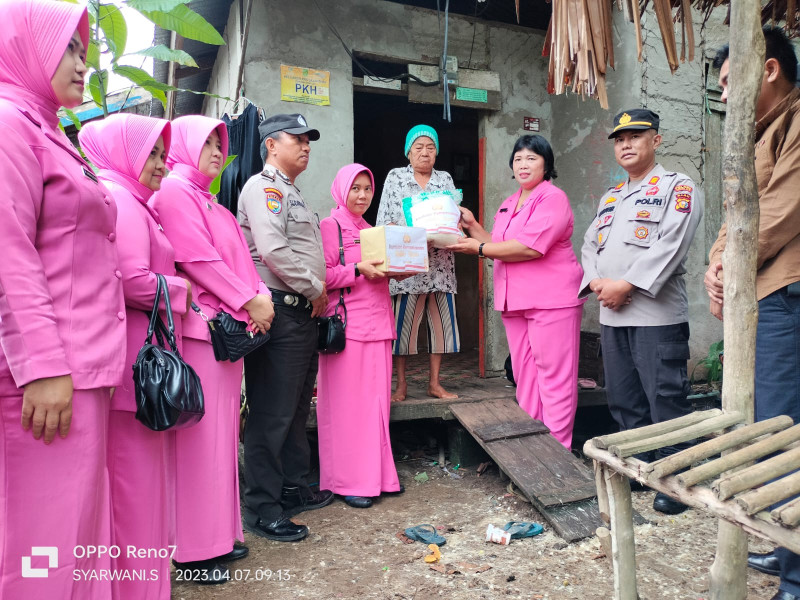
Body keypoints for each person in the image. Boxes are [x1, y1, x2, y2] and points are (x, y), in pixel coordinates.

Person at [0, 1, 126, 597]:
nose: (84, 62)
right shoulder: (7, 124)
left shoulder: (52, 132)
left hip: (86, 367)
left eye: (84, 48)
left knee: (80, 537)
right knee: (45, 549)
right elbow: (9, 253)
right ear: (26, 48)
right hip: (52, 375)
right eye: (69, 48)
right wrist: (44, 364)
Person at [151, 116, 274, 584]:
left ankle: (220, 535)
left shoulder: (211, 202)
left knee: (223, 437)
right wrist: (251, 301)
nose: (219, 151)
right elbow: (200, 260)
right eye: (208, 143)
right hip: (205, 333)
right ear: (184, 145)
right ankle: (195, 549)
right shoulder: (177, 193)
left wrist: (258, 296)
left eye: (221, 143)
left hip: (230, 333)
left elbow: (242, 259)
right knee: (202, 441)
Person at [706, 28, 800, 600]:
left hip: (788, 294)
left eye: (726, 81)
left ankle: (797, 574)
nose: (721, 94)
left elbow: (783, 211)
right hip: (765, 292)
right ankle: (784, 544)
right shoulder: (761, 133)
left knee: (783, 429)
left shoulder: (796, 122)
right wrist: (718, 268)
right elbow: (736, 216)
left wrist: (730, 266)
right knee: (770, 425)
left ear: (767, 70)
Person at [79, 114, 187, 599]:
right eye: (153, 155)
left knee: (143, 491)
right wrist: (186, 290)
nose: (162, 165)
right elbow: (133, 279)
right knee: (133, 492)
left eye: (164, 155)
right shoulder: (122, 200)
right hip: (133, 368)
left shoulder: (137, 203)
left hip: (143, 364)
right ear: (125, 156)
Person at [578, 108, 704, 515]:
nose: (626, 144)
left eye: (635, 135)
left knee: (666, 398)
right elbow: (589, 245)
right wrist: (597, 282)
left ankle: (677, 480)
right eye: (619, 138)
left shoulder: (678, 187)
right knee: (625, 399)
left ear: (656, 140)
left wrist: (626, 285)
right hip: (613, 317)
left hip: (657, 317)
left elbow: (672, 243)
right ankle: (640, 469)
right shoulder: (611, 197)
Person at [448, 135, 584, 449]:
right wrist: (473, 226)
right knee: (526, 380)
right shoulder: (511, 202)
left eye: (532, 158)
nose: (523, 164)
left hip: (552, 301)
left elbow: (530, 248)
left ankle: (557, 453)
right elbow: (498, 244)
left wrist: (478, 247)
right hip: (516, 302)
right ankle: (532, 448)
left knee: (555, 380)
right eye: (518, 158)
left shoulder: (552, 198)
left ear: (546, 164)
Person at [238, 113, 333, 542]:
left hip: (300, 314)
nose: (306, 146)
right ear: (272, 144)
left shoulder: (292, 193)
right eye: (298, 139)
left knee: (295, 409)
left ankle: (293, 486)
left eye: (309, 140)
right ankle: (262, 507)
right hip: (281, 311)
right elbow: (273, 250)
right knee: (272, 413)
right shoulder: (265, 189)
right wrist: (315, 289)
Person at [317, 164, 402, 508]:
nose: (363, 195)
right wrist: (357, 269)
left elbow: (382, 275)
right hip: (347, 329)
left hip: (379, 325)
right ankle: (347, 480)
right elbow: (319, 275)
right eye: (356, 188)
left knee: (375, 407)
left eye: (368, 188)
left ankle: (377, 477)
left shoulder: (372, 230)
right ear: (341, 190)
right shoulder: (329, 226)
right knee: (347, 408)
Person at [376, 124, 460, 402]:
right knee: (403, 329)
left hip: (440, 268)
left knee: (440, 328)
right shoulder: (396, 177)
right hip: (408, 267)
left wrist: (445, 230)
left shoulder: (444, 179)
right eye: (418, 147)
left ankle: (434, 383)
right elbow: (384, 219)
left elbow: (452, 218)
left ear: (437, 152)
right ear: (408, 152)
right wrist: (411, 236)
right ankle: (400, 385)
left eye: (431, 147)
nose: (425, 153)